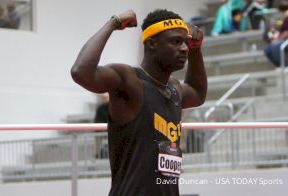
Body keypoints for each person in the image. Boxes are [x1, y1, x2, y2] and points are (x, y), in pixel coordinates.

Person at [71, 9, 207, 196]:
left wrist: (196, 49)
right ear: (152, 44)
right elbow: (81, 72)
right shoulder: (129, 81)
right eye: (176, 41)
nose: (184, 48)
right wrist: (113, 23)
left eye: (185, 42)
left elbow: (198, 93)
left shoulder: (174, 88)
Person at [264, 0, 288, 66]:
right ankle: (279, 65)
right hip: (282, 38)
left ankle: (286, 65)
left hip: (285, 39)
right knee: (267, 49)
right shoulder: (282, 18)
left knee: (276, 45)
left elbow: (286, 32)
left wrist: (278, 39)